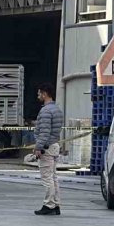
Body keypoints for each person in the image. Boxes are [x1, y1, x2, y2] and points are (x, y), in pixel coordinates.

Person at [34, 82, 64, 216]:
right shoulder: (57, 109)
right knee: (53, 177)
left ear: (45, 94)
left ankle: (49, 205)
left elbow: (44, 132)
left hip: (46, 147)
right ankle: (56, 204)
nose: (38, 96)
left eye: (39, 93)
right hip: (54, 146)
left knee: (47, 178)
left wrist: (38, 147)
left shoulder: (46, 111)